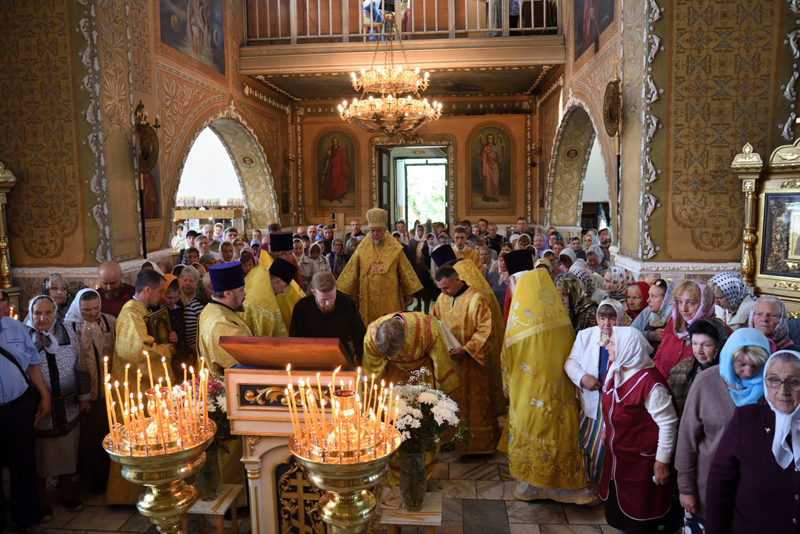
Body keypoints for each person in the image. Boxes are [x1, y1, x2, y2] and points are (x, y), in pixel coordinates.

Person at [500, 268, 593, 503]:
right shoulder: (560, 316)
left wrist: (506, 383)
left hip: (528, 394)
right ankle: (570, 489)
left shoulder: (519, 322)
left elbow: (506, 358)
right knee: (561, 433)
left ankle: (530, 487)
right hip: (560, 393)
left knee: (532, 431)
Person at [675, 327, 770, 532]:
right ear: (729, 358)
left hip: (752, 492)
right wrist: (686, 488)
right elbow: (686, 439)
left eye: (757, 366)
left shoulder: (771, 388)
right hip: (706, 489)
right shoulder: (706, 383)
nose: (748, 372)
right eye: (741, 364)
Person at [705, 350, 800, 533]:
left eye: (793, 382)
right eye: (774, 381)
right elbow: (719, 484)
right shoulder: (747, 419)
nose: (783, 391)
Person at [599, 327, 682, 533]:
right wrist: (605, 429)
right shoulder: (615, 368)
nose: (607, 346)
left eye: (613, 343)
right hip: (619, 458)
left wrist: (662, 461)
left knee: (642, 516)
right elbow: (609, 405)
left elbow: (668, 424)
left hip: (641, 462)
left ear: (628, 348)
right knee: (621, 513)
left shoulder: (650, 384)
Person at [362, 311, 459, 486]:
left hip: (423, 378)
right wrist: (374, 404)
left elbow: (440, 362)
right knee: (393, 425)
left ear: (404, 339)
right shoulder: (372, 334)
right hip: (393, 381)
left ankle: (423, 473)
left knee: (425, 423)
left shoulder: (428, 327)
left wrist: (444, 396)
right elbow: (372, 374)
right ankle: (396, 474)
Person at [26, 296, 87, 517]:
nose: (42, 318)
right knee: (41, 456)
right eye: (37, 313)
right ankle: (41, 499)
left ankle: (67, 493)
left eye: (48, 313)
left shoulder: (68, 333)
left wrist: (85, 397)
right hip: (39, 408)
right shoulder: (24, 337)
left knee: (68, 451)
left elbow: (80, 366)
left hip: (68, 404)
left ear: (55, 313)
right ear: (30, 314)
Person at [432, 265, 499, 454]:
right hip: (449, 363)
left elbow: (486, 330)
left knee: (471, 404)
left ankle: (474, 446)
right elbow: (434, 323)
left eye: (446, 288)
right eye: (441, 289)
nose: (444, 292)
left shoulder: (477, 299)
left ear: (456, 280)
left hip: (470, 363)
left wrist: (467, 349)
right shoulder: (441, 298)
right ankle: (449, 439)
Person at [0, 309, 51, 534]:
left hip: (19, 407)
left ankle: (27, 518)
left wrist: (44, 394)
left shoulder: (15, 327)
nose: (2, 303)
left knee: (23, 463)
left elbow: (32, 362)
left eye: (2, 297)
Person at [564, 299, 622, 490]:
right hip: (592, 399)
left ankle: (605, 486)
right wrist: (583, 378)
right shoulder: (585, 336)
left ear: (619, 319)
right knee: (589, 443)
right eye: (602, 318)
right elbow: (570, 363)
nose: (606, 323)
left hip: (615, 401)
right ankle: (591, 483)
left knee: (608, 445)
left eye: (612, 319)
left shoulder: (627, 338)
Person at [63, 289, 115, 495]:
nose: (93, 313)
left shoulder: (109, 321)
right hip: (82, 394)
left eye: (96, 308)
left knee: (106, 432)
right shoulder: (69, 326)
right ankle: (90, 475)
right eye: (86, 310)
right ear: (78, 308)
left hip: (108, 390)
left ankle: (106, 473)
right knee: (87, 437)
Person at [337, 207, 422, 327]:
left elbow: (405, 271)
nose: (375, 234)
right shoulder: (362, 249)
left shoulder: (395, 249)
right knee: (369, 326)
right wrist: (353, 294)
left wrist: (409, 293)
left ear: (385, 231)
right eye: (372, 231)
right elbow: (353, 271)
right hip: (367, 297)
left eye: (378, 231)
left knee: (390, 327)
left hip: (390, 297)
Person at [289, 272, 366, 364]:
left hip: (342, 356)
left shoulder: (348, 304)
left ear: (335, 290)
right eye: (323, 300)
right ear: (314, 293)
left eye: (332, 298)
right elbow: (295, 339)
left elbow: (359, 336)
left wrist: (362, 364)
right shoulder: (302, 307)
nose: (328, 303)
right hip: (312, 357)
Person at [652, 279, 720, 380]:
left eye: (690, 303)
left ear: (704, 304)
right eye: (680, 302)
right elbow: (658, 357)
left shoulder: (717, 331)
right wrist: (661, 383)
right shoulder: (675, 323)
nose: (683, 309)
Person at [197, 262, 254, 376]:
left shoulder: (209, 309)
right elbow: (240, 363)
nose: (245, 294)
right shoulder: (222, 323)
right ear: (227, 293)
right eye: (241, 290)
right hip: (229, 389)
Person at [668, 318, 729, 416]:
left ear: (720, 344)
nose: (698, 351)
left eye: (706, 345)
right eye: (695, 344)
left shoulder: (730, 373)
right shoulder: (680, 370)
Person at [240, 258, 296, 338]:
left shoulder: (254, 283)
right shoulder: (269, 306)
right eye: (284, 287)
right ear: (278, 281)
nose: (282, 291)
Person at [631, 279, 673, 352]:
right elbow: (630, 334)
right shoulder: (648, 311)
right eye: (649, 295)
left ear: (666, 299)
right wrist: (651, 336)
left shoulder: (676, 317)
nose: (648, 300)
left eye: (653, 296)